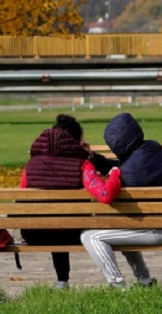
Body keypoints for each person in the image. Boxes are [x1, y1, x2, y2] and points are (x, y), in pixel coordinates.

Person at [81, 112, 162, 288]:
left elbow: (111, 188)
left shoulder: (131, 172)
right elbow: (122, 166)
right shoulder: (153, 148)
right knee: (122, 229)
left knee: (91, 236)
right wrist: (93, 157)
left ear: (116, 144)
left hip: (158, 231)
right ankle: (145, 281)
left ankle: (117, 285)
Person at [19, 114, 120, 289]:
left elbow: (22, 197)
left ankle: (62, 281)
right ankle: (118, 280)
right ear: (75, 141)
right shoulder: (82, 164)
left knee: (53, 221)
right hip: (73, 233)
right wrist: (115, 173)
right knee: (64, 222)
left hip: (34, 234)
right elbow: (104, 195)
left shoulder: (31, 165)